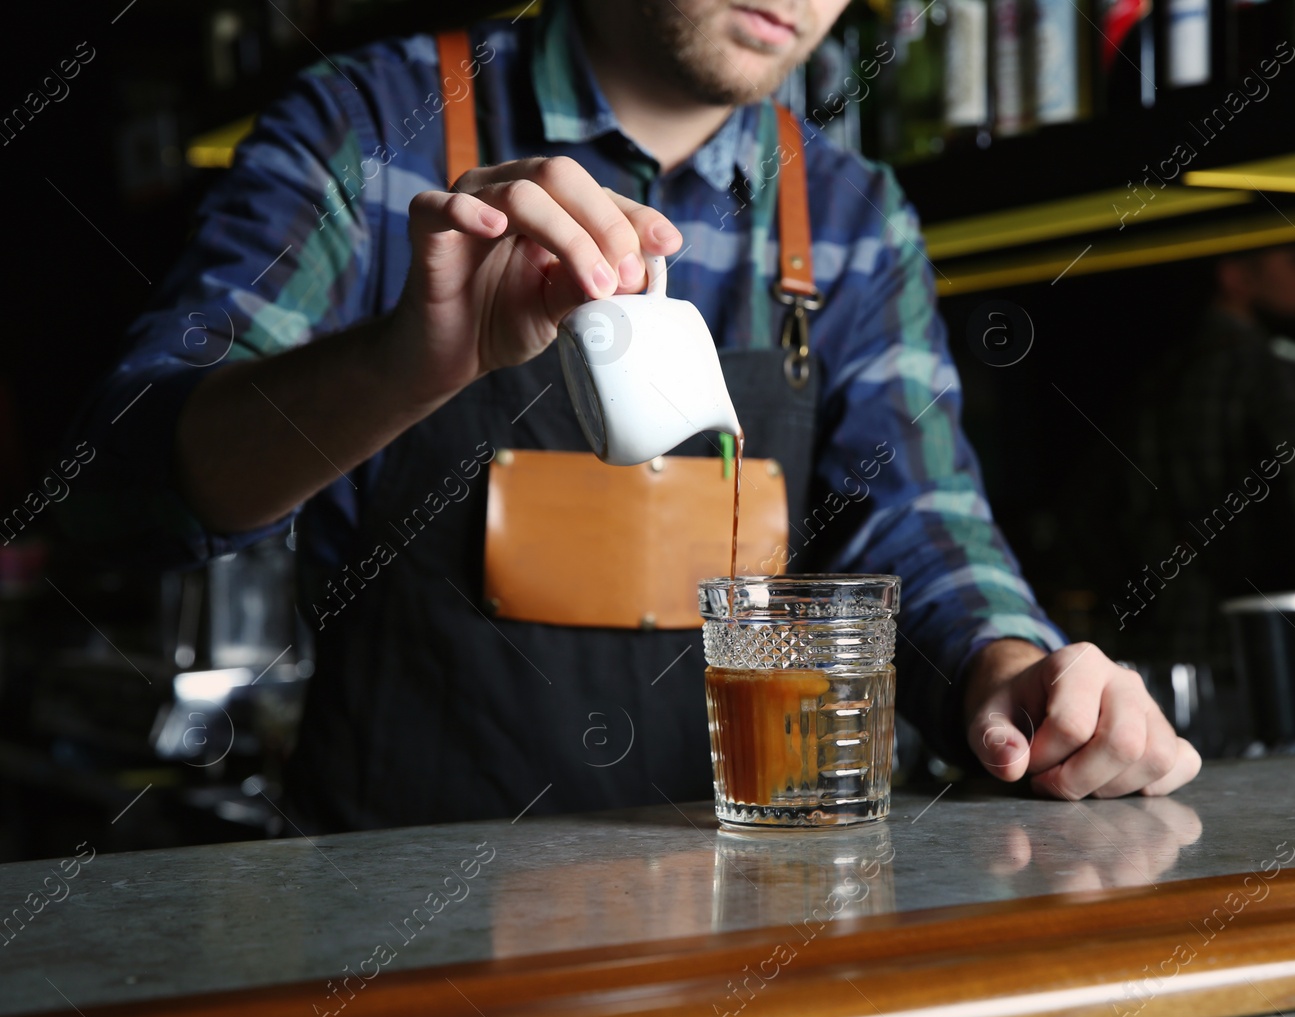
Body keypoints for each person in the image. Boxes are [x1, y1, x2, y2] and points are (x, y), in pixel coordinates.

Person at [62, 0, 1199, 831]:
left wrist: (1016, 672)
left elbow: (914, 521)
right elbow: (136, 476)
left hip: (743, 935)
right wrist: (412, 360)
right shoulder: (370, 126)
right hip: (400, 942)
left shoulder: (851, 217)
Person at [1107, 244, 1295, 669]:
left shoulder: (1152, 386)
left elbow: (1100, 516)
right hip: (1267, 655)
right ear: (1235, 277)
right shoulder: (1273, 380)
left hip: (1161, 650)